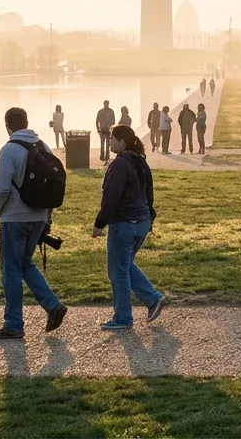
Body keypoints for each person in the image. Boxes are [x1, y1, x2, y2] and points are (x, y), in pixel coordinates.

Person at [0, 107, 68, 340]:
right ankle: (53, 306)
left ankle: (14, 324)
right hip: (39, 216)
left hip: (15, 218)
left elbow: (2, 187)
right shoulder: (43, 146)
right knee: (24, 263)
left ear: (7, 125)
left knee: (10, 271)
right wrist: (47, 218)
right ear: (26, 122)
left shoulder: (10, 150)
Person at [94, 124, 165, 330]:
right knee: (124, 265)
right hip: (141, 222)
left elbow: (111, 198)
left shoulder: (120, 164)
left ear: (122, 141)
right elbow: (149, 194)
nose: (111, 142)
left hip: (125, 223)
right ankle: (153, 300)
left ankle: (123, 318)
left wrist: (100, 223)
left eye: (113, 139)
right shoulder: (140, 162)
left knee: (118, 270)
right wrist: (149, 218)